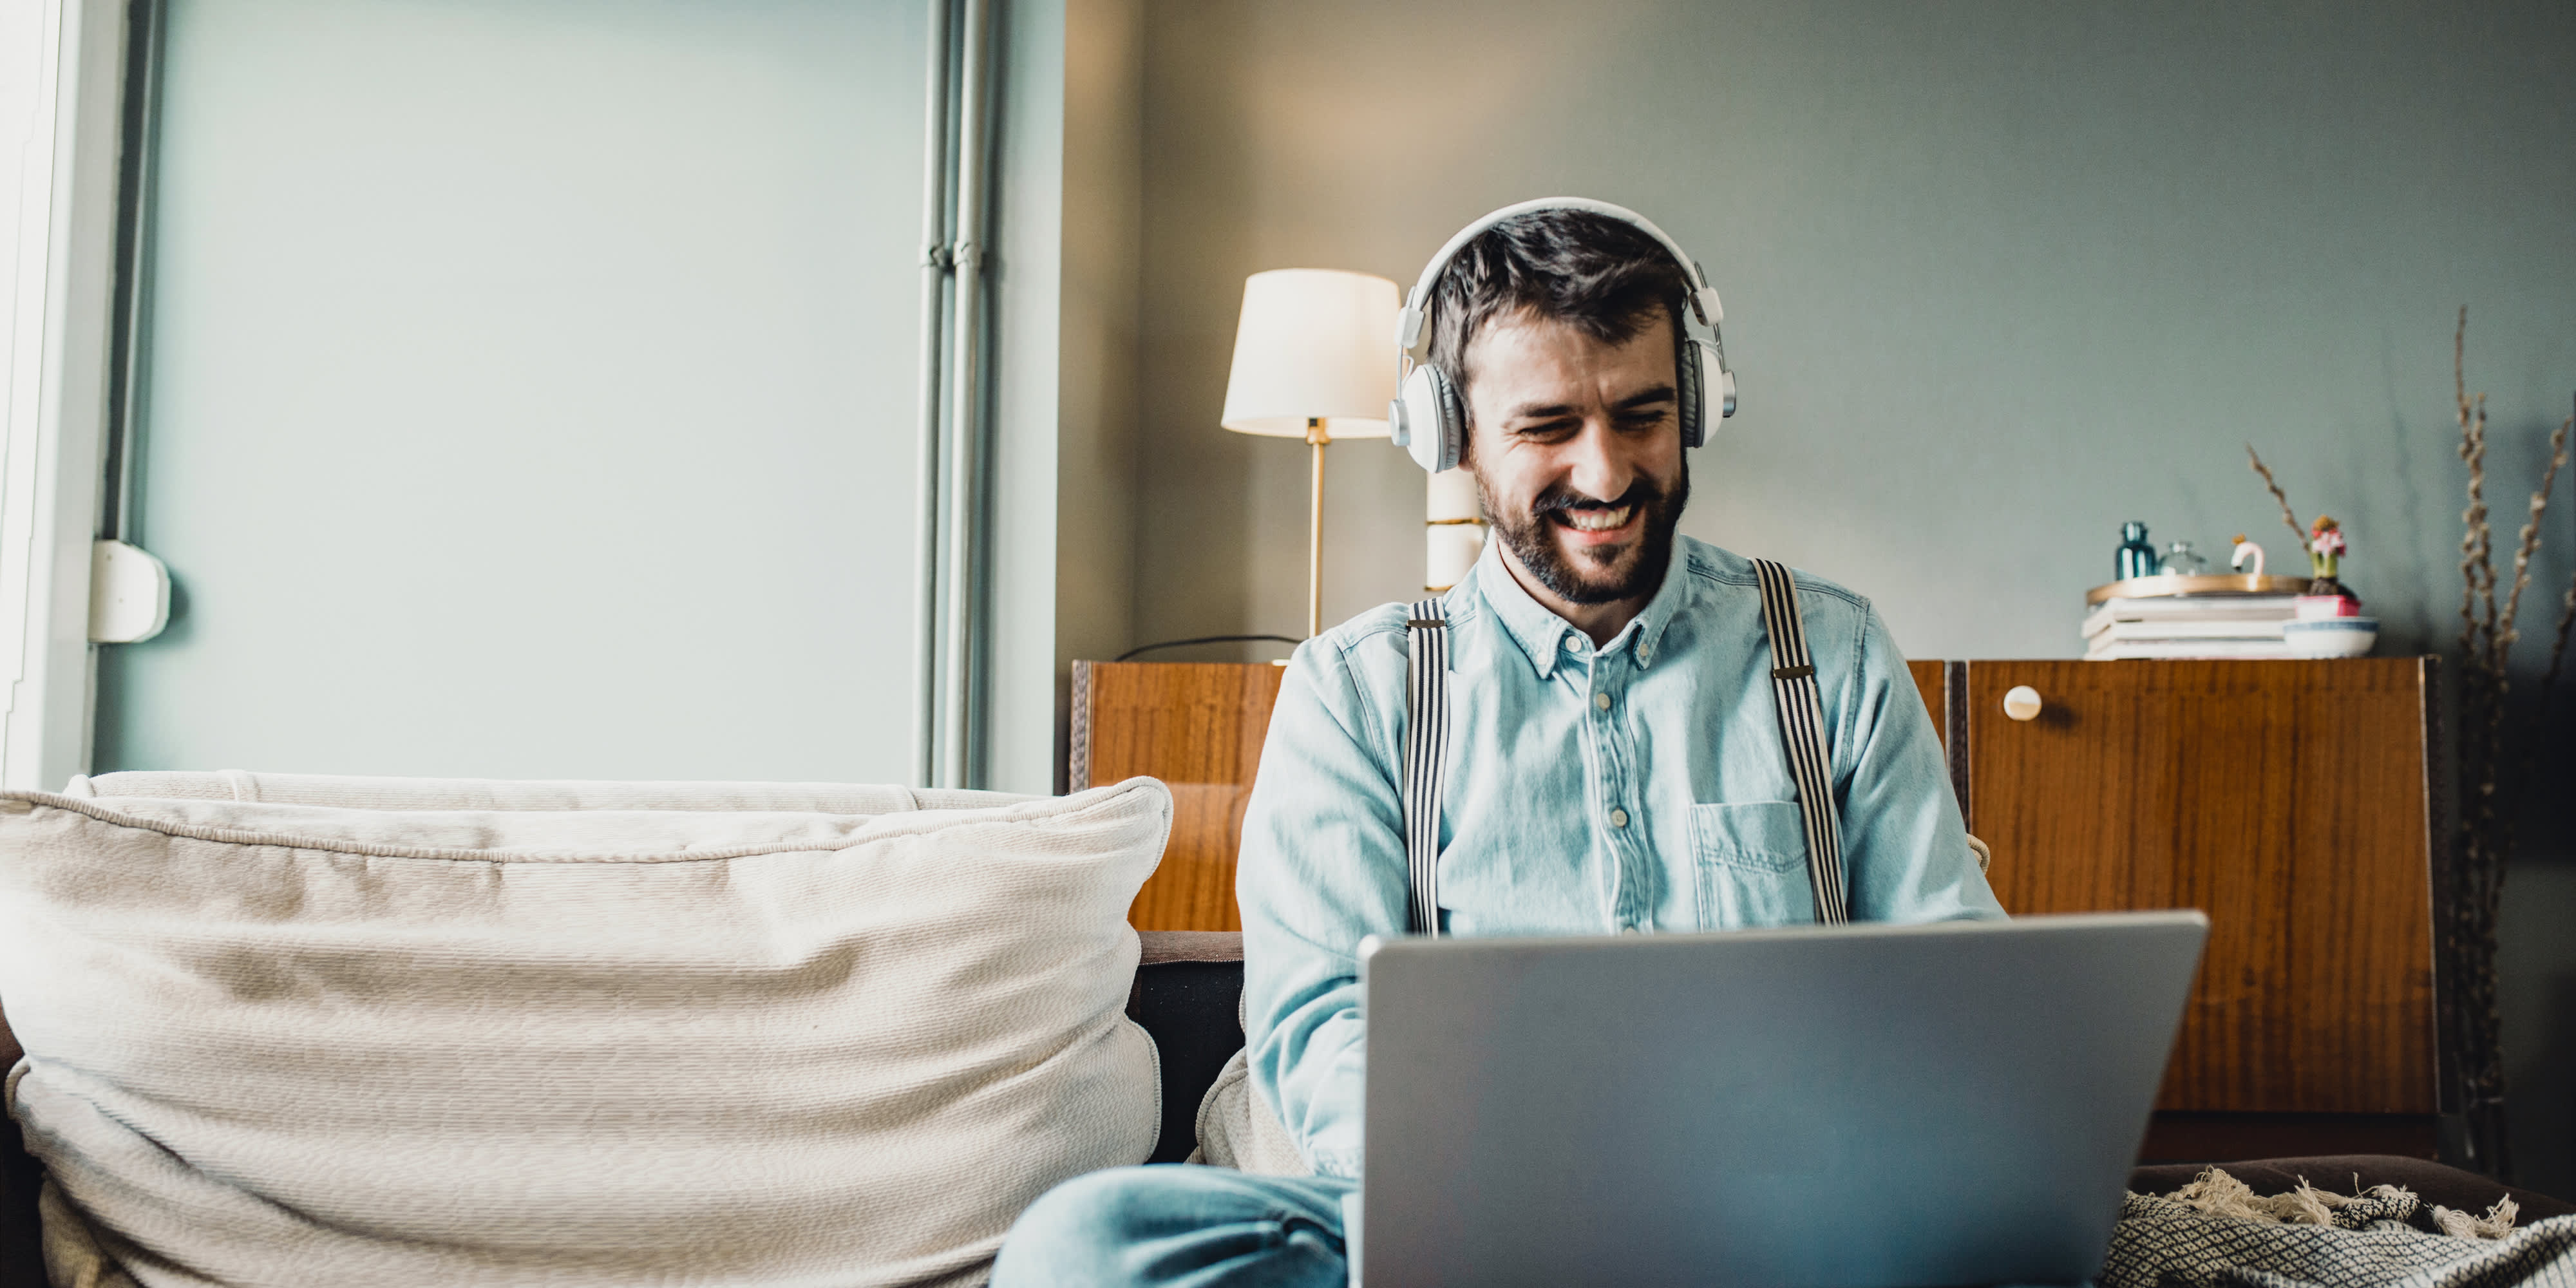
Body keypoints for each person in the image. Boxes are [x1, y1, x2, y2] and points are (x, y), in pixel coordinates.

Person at [991, 202, 2002, 1287]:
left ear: (1697, 406)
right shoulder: (1356, 692)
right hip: (1452, 1222)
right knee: (1084, 1250)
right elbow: (1321, 1031)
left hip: (1781, 1217)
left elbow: (1958, 990)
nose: (1607, 474)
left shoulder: (1833, 655)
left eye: (1643, 416)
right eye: (1548, 427)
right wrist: (1531, 1202)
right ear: (1451, 434)